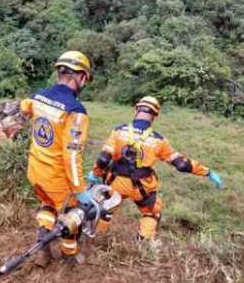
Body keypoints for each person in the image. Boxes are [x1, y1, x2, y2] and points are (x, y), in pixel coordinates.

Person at [88, 96, 223, 240]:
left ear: (136, 110)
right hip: (142, 187)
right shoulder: (159, 140)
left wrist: (95, 174)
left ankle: (97, 238)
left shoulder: (118, 131)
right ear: (154, 116)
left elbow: (104, 158)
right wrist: (207, 172)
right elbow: (182, 164)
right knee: (151, 213)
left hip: (116, 182)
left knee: (106, 208)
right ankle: (142, 243)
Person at [20, 51, 93, 265]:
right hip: (58, 179)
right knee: (72, 215)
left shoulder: (38, 97)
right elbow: (71, 156)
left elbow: (24, 107)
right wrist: (80, 191)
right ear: (80, 77)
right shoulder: (76, 111)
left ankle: (43, 247)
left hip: (35, 172)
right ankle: (69, 256)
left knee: (47, 206)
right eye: (85, 79)